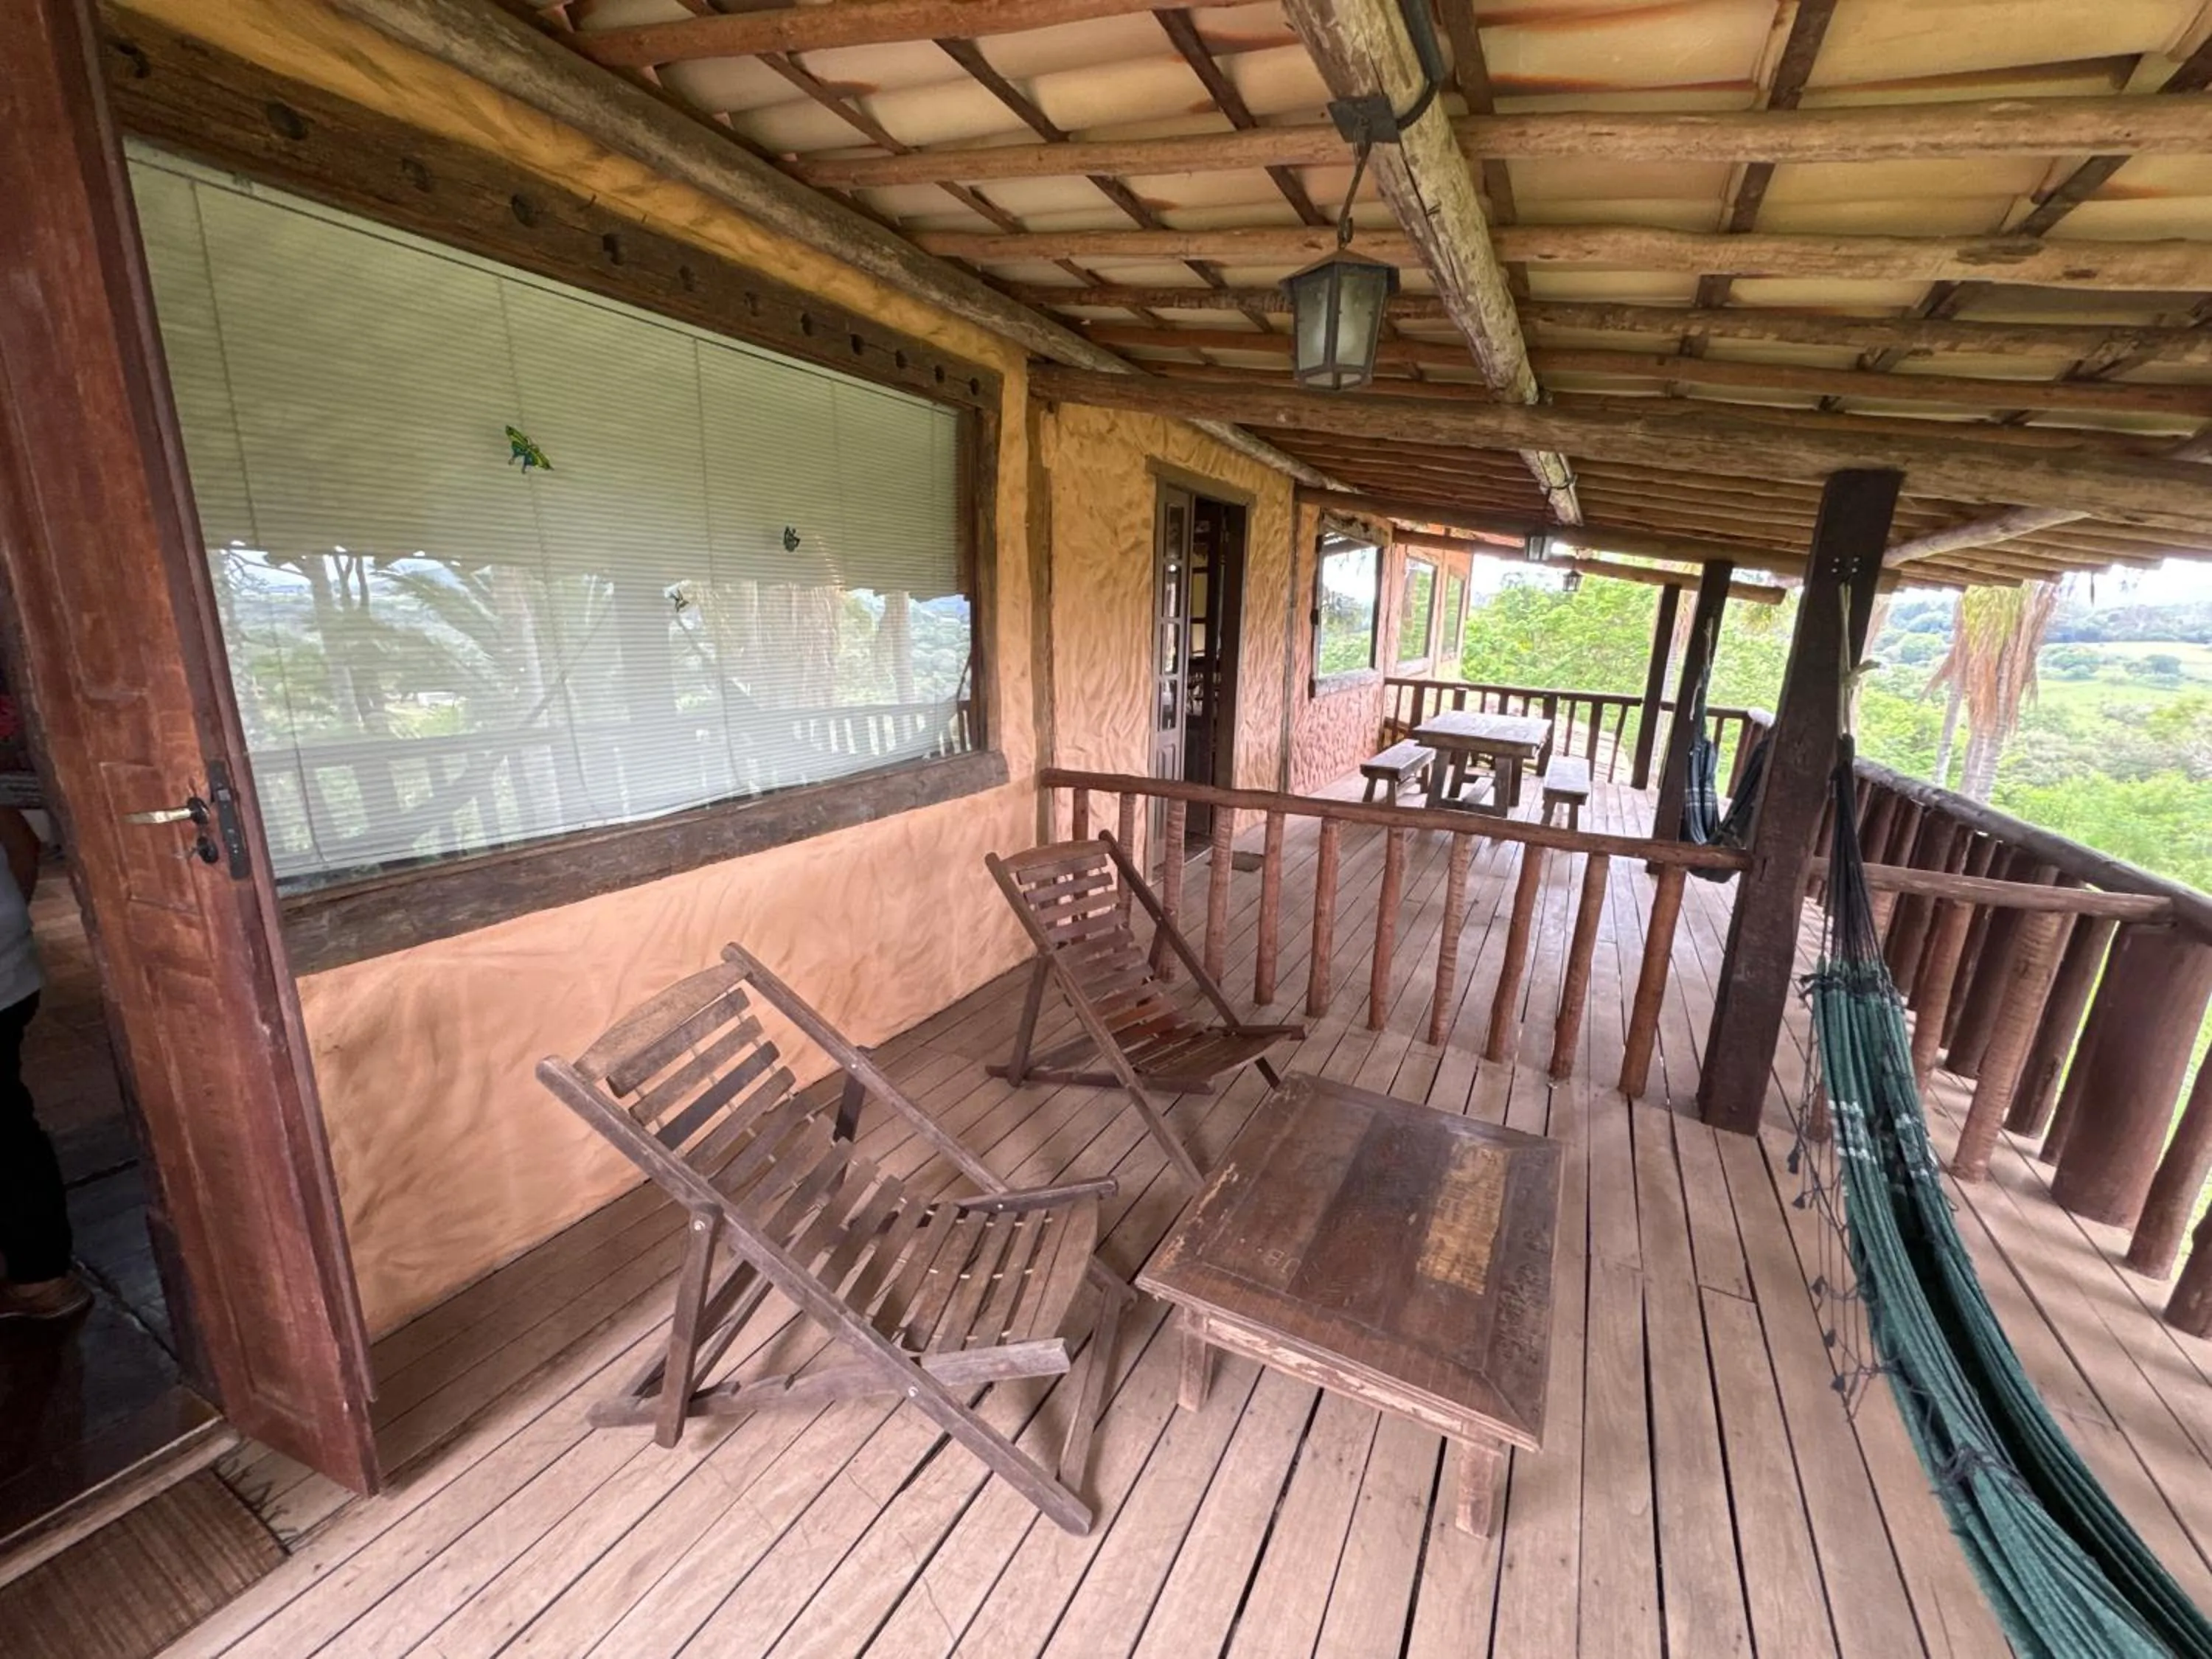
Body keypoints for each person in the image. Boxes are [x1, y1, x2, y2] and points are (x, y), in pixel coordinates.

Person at [0, 804, 88, 1320]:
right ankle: (40, 1273)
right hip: (9, 975)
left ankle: (40, 1278)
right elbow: (22, 845)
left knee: (6, 1131)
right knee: (9, 1123)